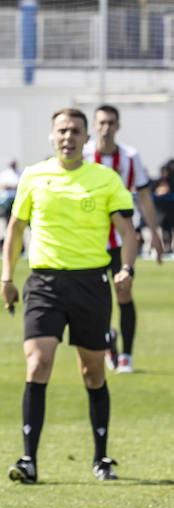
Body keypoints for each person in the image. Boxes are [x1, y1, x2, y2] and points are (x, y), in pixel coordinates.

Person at [0, 108, 135, 485]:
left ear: (86, 137)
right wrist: (7, 277)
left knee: (92, 372)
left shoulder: (105, 179)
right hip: (44, 283)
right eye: (62, 130)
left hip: (91, 284)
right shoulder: (33, 175)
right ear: (52, 135)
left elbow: (128, 231)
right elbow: (15, 228)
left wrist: (127, 269)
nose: (68, 137)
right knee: (37, 363)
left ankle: (101, 458)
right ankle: (28, 460)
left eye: (75, 131)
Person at [83, 104, 165, 373]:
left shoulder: (130, 157)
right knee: (95, 302)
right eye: (101, 123)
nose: (106, 128)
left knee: (124, 293)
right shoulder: (82, 156)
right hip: (88, 242)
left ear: (118, 126)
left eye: (111, 123)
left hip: (121, 241)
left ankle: (126, 356)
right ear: (94, 126)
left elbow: (144, 196)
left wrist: (154, 234)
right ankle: (110, 344)